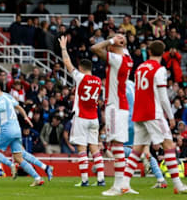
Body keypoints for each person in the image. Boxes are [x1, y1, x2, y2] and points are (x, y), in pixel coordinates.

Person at [121, 40, 187, 195]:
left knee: (137, 149)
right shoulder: (159, 69)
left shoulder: (140, 68)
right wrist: (170, 116)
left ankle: (124, 184)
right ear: (163, 54)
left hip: (139, 112)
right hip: (153, 113)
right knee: (169, 145)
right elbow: (163, 97)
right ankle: (178, 185)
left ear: (149, 52)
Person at [0, 79, 44, 186]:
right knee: (18, 157)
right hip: (16, 130)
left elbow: (1, 108)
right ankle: (37, 177)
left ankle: (9, 165)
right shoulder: (6, 98)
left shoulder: (1, 98)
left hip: (7, 130)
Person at [59, 35, 105, 187]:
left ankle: (85, 180)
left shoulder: (80, 78)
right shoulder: (98, 81)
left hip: (82, 117)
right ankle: (100, 179)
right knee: (95, 148)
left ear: (81, 68)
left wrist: (63, 48)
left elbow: (67, 62)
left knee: (82, 148)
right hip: (94, 118)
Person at [91, 34, 133, 196]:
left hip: (115, 106)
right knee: (118, 145)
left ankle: (117, 186)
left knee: (116, 146)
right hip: (121, 105)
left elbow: (94, 48)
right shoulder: (127, 57)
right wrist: (120, 40)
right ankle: (124, 184)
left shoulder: (117, 59)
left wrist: (110, 40)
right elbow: (123, 46)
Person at [0, 93, 53, 181]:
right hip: (15, 127)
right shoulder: (7, 97)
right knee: (20, 155)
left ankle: (1, 168)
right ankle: (43, 170)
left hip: (6, 127)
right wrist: (25, 117)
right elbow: (17, 107)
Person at [124, 80, 168, 189]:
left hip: (126, 122)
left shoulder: (119, 85)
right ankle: (161, 179)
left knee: (117, 148)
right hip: (141, 119)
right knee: (145, 150)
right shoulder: (134, 85)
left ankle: (121, 183)